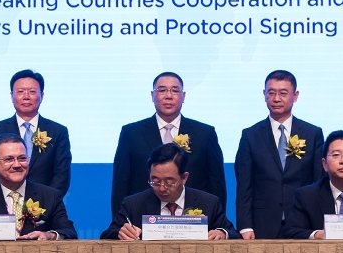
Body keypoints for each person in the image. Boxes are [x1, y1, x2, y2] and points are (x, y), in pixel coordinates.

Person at [111, 72, 226, 217]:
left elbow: (217, 185)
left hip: (194, 220)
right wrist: (121, 223)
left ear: (183, 96)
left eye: (175, 90)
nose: (168, 95)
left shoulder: (205, 133)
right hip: (143, 219)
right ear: (152, 95)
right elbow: (120, 184)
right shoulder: (131, 133)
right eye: (162, 90)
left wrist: (217, 222)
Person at [234, 70, 324, 239]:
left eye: (283, 93)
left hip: (303, 221)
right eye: (271, 92)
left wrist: (318, 223)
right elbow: (244, 185)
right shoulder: (250, 135)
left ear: (295, 96)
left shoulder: (313, 134)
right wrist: (245, 226)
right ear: (264, 94)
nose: (276, 98)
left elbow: (319, 181)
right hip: (262, 223)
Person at [102, 143, 238, 240]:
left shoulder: (208, 203)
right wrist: (120, 233)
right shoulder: (133, 204)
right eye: (155, 181)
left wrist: (222, 233)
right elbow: (107, 235)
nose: (161, 188)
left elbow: (234, 233)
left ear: (184, 178)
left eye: (169, 182)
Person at [0, 134, 76, 239]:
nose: (16, 165)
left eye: (22, 158)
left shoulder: (50, 196)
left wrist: (49, 235)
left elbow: (69, 232)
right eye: (9, 159)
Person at [0, 70, 71, 195]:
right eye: (20, 92)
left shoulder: (58, 132)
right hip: (4, 208)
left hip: (45, 208)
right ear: (12, 96)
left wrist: (47, 204)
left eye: (32, 92)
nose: (26, 96)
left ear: (42, 96)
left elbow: (62, 175)